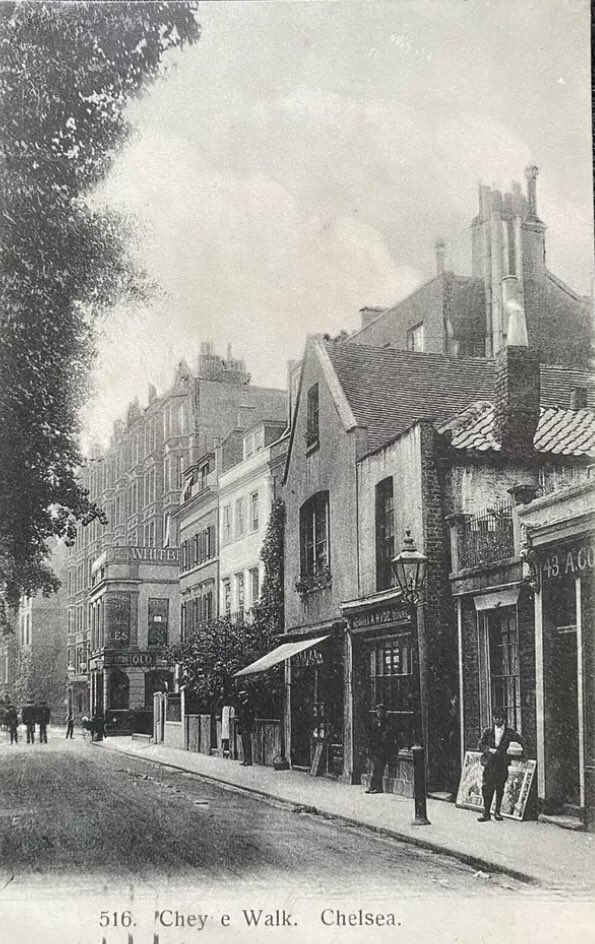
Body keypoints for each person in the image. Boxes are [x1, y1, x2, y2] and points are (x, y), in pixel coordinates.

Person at [477, 708, 524, 822]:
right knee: (487, 788)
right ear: (493, 719)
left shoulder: (509, 732)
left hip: (501, 764)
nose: (497, 720)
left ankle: (497, 812)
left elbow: (521, 740)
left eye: (500, 718)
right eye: (495, 718)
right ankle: (486, 812)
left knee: (500, 787)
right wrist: (489, 750)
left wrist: (524, 753)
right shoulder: (487, 732)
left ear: (504, 720)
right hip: (489, 764)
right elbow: (480, 744)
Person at [365, 704, 394, 794]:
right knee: (377, 767)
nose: (379, 713)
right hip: (375, 748)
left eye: (381, 711)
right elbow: (370, 734)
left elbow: (388, 735)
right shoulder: (374, 722)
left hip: (383, 748)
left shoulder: (387, 723)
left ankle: (376, 787)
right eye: (378, 711)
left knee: (378, 768)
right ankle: (374, 786)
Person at [236, 690, 255, 766]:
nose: (239, 697)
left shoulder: (247, 704)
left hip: (246, 727)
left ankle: (248, 760)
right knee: (244, 743)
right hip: (243, 726)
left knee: (247, 744)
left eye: (241, 696)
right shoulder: (242, 704)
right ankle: (245, 759)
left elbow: (250, 717)